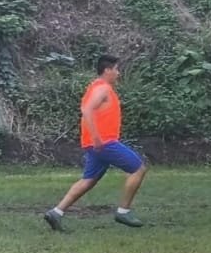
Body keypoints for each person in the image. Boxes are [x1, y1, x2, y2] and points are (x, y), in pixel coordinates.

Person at [44, 55, 147, 231]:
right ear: (107, 70)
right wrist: (97, 138)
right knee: (138, 168)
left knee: (89, 180)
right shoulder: (103, 88)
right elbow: (87, 110)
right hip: (104, 142)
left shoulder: (96, 87)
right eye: (116, 69)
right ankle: (123, 211)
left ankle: (56, 212)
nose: (118, 73)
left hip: (96, 143)